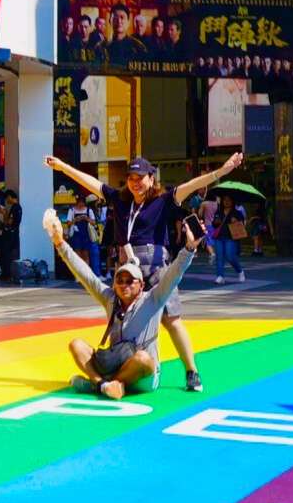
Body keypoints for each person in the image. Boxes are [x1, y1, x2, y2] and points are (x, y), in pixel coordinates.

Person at [45, 151, 245, 393]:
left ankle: (192, 371)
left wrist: (221, 172)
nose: (135, 182)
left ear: (152, 178)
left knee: (172, 320)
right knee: (122, 315)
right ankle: (115, 372)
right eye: (131, 177)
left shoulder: (162, 201)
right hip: (128, 268)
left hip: (156, 265)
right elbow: (91, 182)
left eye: (140, 177)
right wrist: (63, 167)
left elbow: (191, 186)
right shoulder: (119, 199)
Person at [44, 208, 202, 400]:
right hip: (113, 364)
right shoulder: (110, 298)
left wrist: (190, 248)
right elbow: (85, 274)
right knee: (76, 345)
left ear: (141, 284)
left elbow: (175, 273)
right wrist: (60, 244)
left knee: (143, 358)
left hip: (143, 375)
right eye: (120, 280)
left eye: (130, 281)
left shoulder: (153, 298)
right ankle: (102, 384)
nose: (124, 285)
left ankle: (107, 385)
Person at [209, 200, 245, 285]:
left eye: (228, 199)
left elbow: (242, 224)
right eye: (224, 200)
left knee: (230, 256)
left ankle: (239, 270)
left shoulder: (237, 213)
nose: (226, 202)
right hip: (219, 236)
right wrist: (215, 222)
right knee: (219, 257)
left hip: (231, 237)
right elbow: (213, 223)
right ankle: (220, 276)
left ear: (232, 201)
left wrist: (236, 221)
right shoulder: (218, 211)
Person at [66, 198, 102, 274]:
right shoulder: (72, 210)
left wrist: (86, 218)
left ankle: (86, 274)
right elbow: (68, 223)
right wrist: (75, 220)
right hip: (76, 234)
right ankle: (78, 275)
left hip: (86, 234)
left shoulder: (89, 210)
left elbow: (93, 222)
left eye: (82, 203)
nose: (81, 204)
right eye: (79, 203)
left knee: (86, 254)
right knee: (77, 255)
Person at [0, 189, 24, 283]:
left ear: (9, 197)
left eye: (6, 198)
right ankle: (7, 274)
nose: (6, 200)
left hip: (10, 235)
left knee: (5, 255)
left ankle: (7, 274)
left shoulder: (15, 208)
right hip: (13, 235)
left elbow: (9, 222)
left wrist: (4, 214)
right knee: (7, 255)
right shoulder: (17, 207)